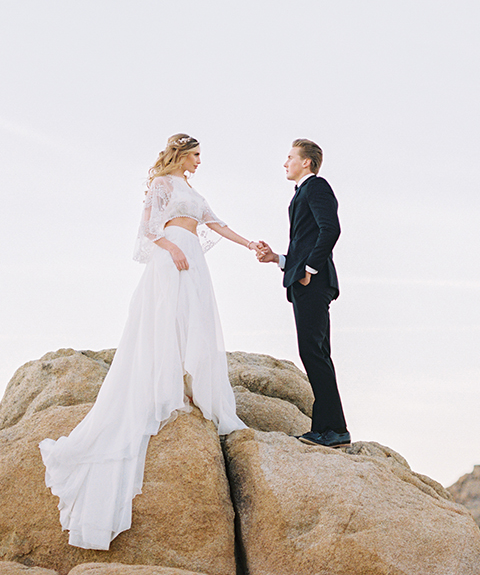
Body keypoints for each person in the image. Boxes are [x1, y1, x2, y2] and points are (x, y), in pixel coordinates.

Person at [40, 134, 258, 551]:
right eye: (196, 155)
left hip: (192, 254)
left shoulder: (192, 190)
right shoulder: (161, 184)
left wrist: (249, 244)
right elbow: (146, 229)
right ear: (181, 153)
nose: (199, 162)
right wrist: (171, 247)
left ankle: (192, 385)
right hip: (172, 253)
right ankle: (168, 385)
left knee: (196, 320)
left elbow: (216, 223)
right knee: (168, 318)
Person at [257, 138, 350, 448]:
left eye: (290, 157)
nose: (285, 163)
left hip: (314, 282)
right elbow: (306, 242)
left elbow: (331, 229)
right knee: (315, 353)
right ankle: (327, 428)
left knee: (314, 352)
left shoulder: (316, 187)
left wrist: (309, 271)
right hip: (303, 281)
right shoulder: (301, 194)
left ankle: (334, 430)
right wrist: (277, 259)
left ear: (306, 162)